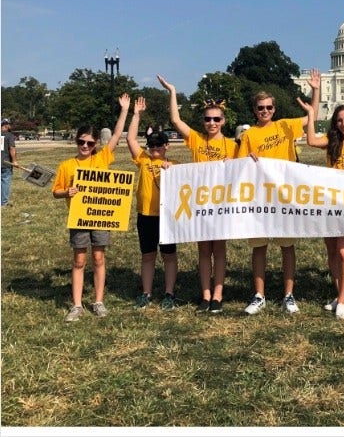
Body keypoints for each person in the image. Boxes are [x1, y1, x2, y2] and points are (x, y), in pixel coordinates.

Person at [237, 69, 321, 315]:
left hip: (284, 196)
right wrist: (248, 159)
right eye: (261, 108)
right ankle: (259, 295)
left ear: (274, 109)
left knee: (287, 246)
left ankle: (288, 294)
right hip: (260, 197)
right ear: (255, 110)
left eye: (269, 108)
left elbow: (310, 115)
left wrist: (315, 90)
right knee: (259, 247)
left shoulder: (285, 126)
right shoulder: (249, 134)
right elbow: (239, 167)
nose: (265, 111)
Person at [158, 75, 238, 314]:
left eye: (216, 119)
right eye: (207, 119)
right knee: (204, 250)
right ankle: (205, 294)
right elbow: (175, 119)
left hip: (221, 204)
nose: (211, 123)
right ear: (203, 121)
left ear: (223, 121)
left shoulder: (233, 146)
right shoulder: (196, 140)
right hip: (201, 203)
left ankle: (218, 295)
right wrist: (172, 90)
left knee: (220, 250)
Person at [52, 93, 131, 322]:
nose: (85, 146)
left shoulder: (102, 158)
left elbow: (117, 135)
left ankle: (98, 301)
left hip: (101, 218)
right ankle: (76, 305)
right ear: (76, 141)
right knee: (79, 261)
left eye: (89, 143)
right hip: (78, 218)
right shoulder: (67, 165)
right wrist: (66, 192)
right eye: (81, 142)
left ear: (96, 144)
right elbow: (56, 191)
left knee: (98, 258)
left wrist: (124, 110)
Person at [297, 98, 344, 319]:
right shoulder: (332, 141)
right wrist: (312, 113)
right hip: (330, 202)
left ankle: (342, 300)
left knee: (343, 251)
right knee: (331, 251)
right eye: (339, 120)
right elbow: (311, 140)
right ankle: (341, 294)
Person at [126, 97, 179, 311]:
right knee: (147, 255)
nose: (154, 148)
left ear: (166, 146)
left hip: (166, 217)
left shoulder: (173, 165)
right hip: (145, 215)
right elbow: (130, 139)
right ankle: (146, 293)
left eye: (158, 145)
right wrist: (136, 115)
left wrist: (171, 169)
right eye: (151, 145)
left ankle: (169, 293)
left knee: (169, 256)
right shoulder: (144, 160)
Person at [1, 118, 18, 206]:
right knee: (5, 181)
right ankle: (3, 203)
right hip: (5, 164)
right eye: (9, 124)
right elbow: (12, 148)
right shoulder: (9, 135)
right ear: (6, 125)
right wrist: (15, 161)